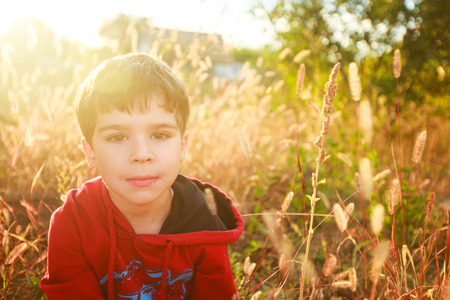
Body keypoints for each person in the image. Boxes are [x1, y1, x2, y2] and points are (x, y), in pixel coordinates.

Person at [40, 53, 244, 299]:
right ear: (91, 152)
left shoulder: (204, 221)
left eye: (159, 135)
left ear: (183, 145)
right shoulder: (73, 223)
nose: (141, 154)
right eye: (117, 137)